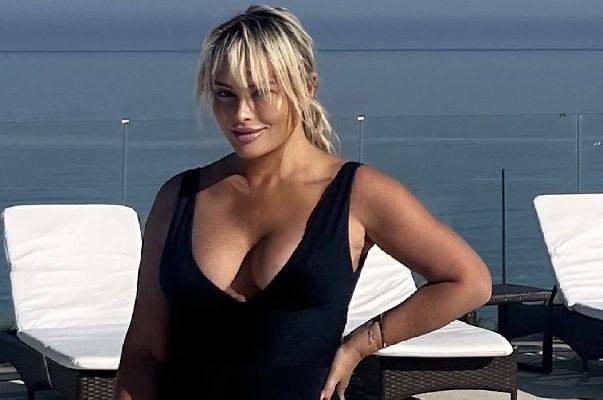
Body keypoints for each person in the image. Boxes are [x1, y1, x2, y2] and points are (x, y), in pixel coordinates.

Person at [112, 5, 492, 400]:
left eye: (262, 92)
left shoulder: (356, 193)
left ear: (307, 87)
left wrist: (363, 342)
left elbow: (468, 281)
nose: (241, 114)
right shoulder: (179, 197)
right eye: (225, 94)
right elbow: (143, 349)